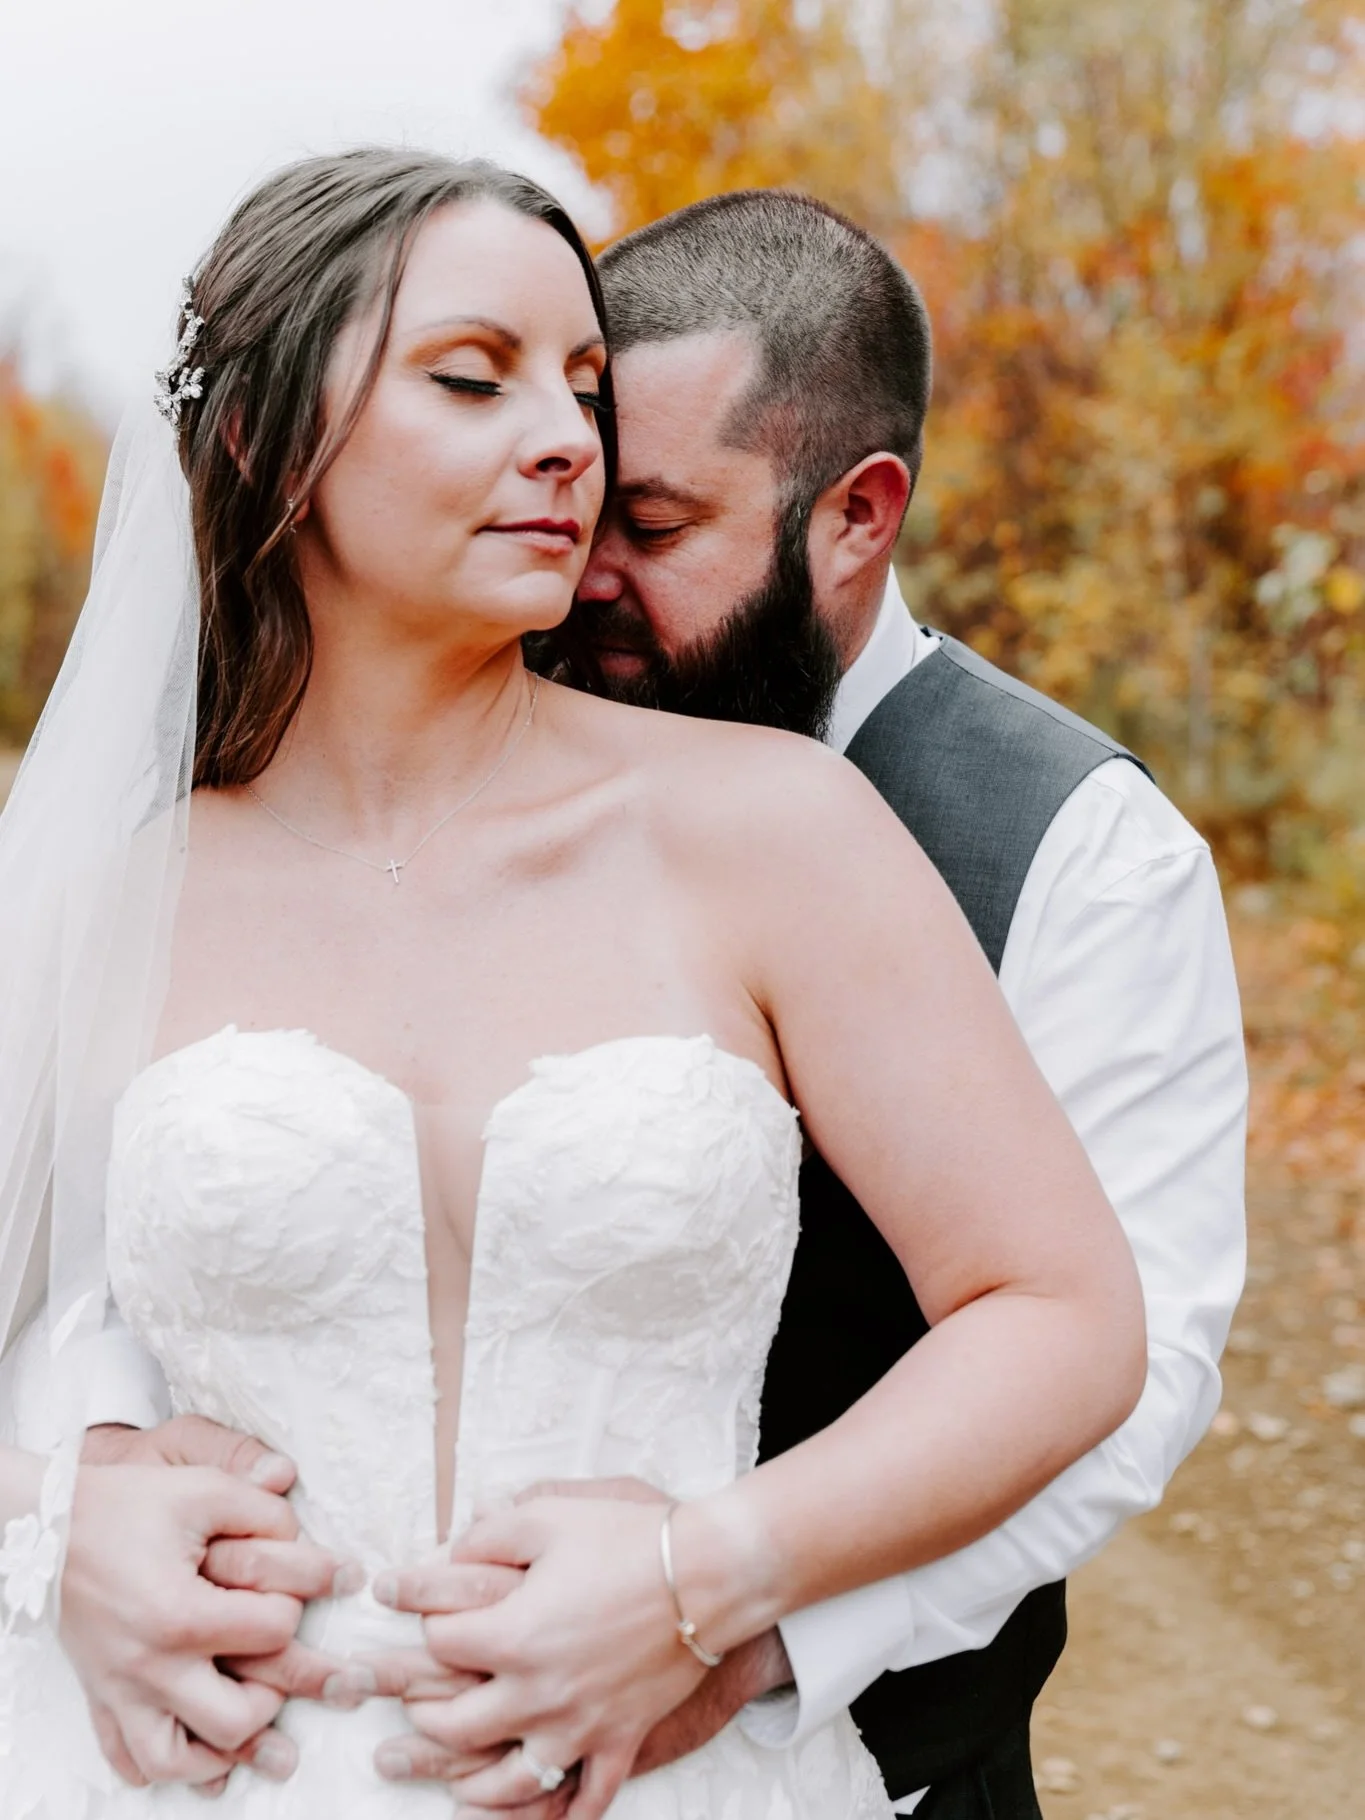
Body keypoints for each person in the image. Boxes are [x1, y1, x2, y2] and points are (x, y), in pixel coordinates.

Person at [0, 150, 1146, 1818]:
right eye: (474, 378)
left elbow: (1065, 1316)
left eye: (587, 387)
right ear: (254, 439)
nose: (566, 442)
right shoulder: (115, 889)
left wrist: (709, 1570)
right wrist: (52, 1521)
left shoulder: (773, 830)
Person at [399, 190, 1244, 1819]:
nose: (583, 583)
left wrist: (750, 1627)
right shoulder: (488, 745)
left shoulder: (1083, 848)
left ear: (858, 515)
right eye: (580, 508)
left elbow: (1130, 1377)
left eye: (651, 527)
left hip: (869, 1772)